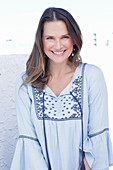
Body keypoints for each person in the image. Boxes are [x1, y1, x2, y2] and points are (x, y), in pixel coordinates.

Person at [10, 7, 113, 170]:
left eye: (65, 37)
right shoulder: (26, 84)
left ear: (74, 39)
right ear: (40, 40)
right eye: (50, 38)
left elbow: (96, 139)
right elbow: (30, 145)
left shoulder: (92, 76)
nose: (58, 45)